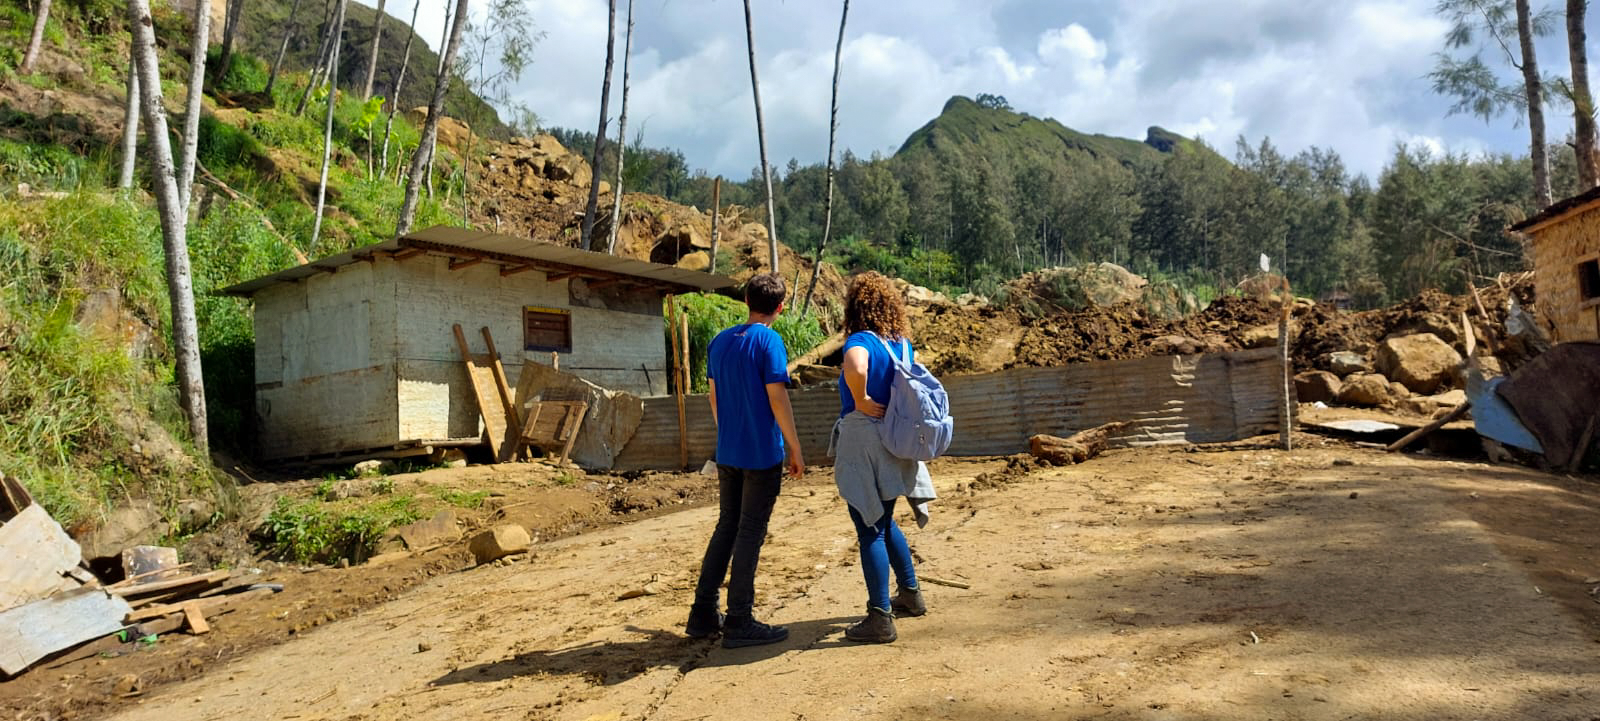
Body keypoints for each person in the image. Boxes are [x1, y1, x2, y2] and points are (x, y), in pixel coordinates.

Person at [685, 273, 806, 649]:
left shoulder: (720, 341)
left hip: (729, 453)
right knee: (750, 532)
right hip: (760, 455)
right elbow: (777, 397)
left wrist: (728, 435)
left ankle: (703, 613)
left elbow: (713, 397)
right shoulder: (769, 341)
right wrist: (795, 447)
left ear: (746, 301)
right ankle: (739, 619)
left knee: (727, 527)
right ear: (780, 308)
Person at [830, 271, 935, 644]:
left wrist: (859, 399)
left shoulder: (860, 340)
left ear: (855, 306)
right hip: (895, 439)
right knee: (887, 519)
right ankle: (910, 593)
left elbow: (856, 364)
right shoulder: (902, 344)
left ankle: (879, 617)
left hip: (864, 438)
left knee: (869, 527)